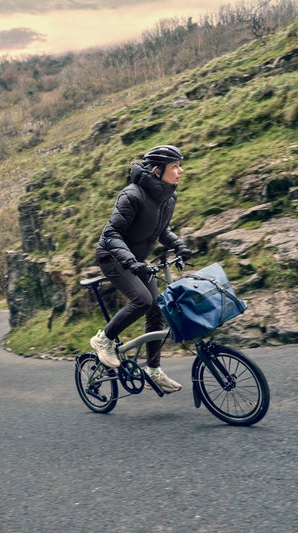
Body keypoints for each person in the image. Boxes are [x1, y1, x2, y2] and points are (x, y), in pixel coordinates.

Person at [89, 144, 192, 392]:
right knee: (143, 300)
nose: (180, 171)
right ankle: (104, 339)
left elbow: (161, 230)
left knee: (157, 307)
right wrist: (131, 262)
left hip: (136, 259)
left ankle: (153, 370)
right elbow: (112, 234)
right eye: (174, 166)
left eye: (179, 165)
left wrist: (178, 245)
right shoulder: (131, 195)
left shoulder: (169, 197)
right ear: (157, 172)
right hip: (112, 256)